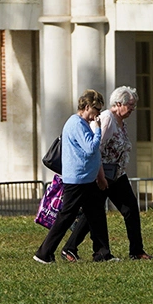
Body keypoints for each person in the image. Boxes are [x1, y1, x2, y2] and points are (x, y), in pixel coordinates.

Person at [61, 86, 151, 262]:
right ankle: (70, 248)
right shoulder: (107, 119)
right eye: (131, 104)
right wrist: (100, 177)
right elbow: (95, 150)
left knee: (130, 208)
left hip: (117, 174)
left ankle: (136, 251)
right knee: (92, 214)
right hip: (103, 175)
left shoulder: (120, 121)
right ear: (118, 104)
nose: (133, 108)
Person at [34, 90, 115, 263]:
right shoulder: (76, 123)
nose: (98, 114)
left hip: (85, 179)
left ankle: (102, 253)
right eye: (96, 110)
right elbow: (90, 148)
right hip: (78, 180)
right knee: (66, 217)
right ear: (87, 107)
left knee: (96, 214)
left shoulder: (81, 123)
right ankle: (44, 253)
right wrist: (99, 130)